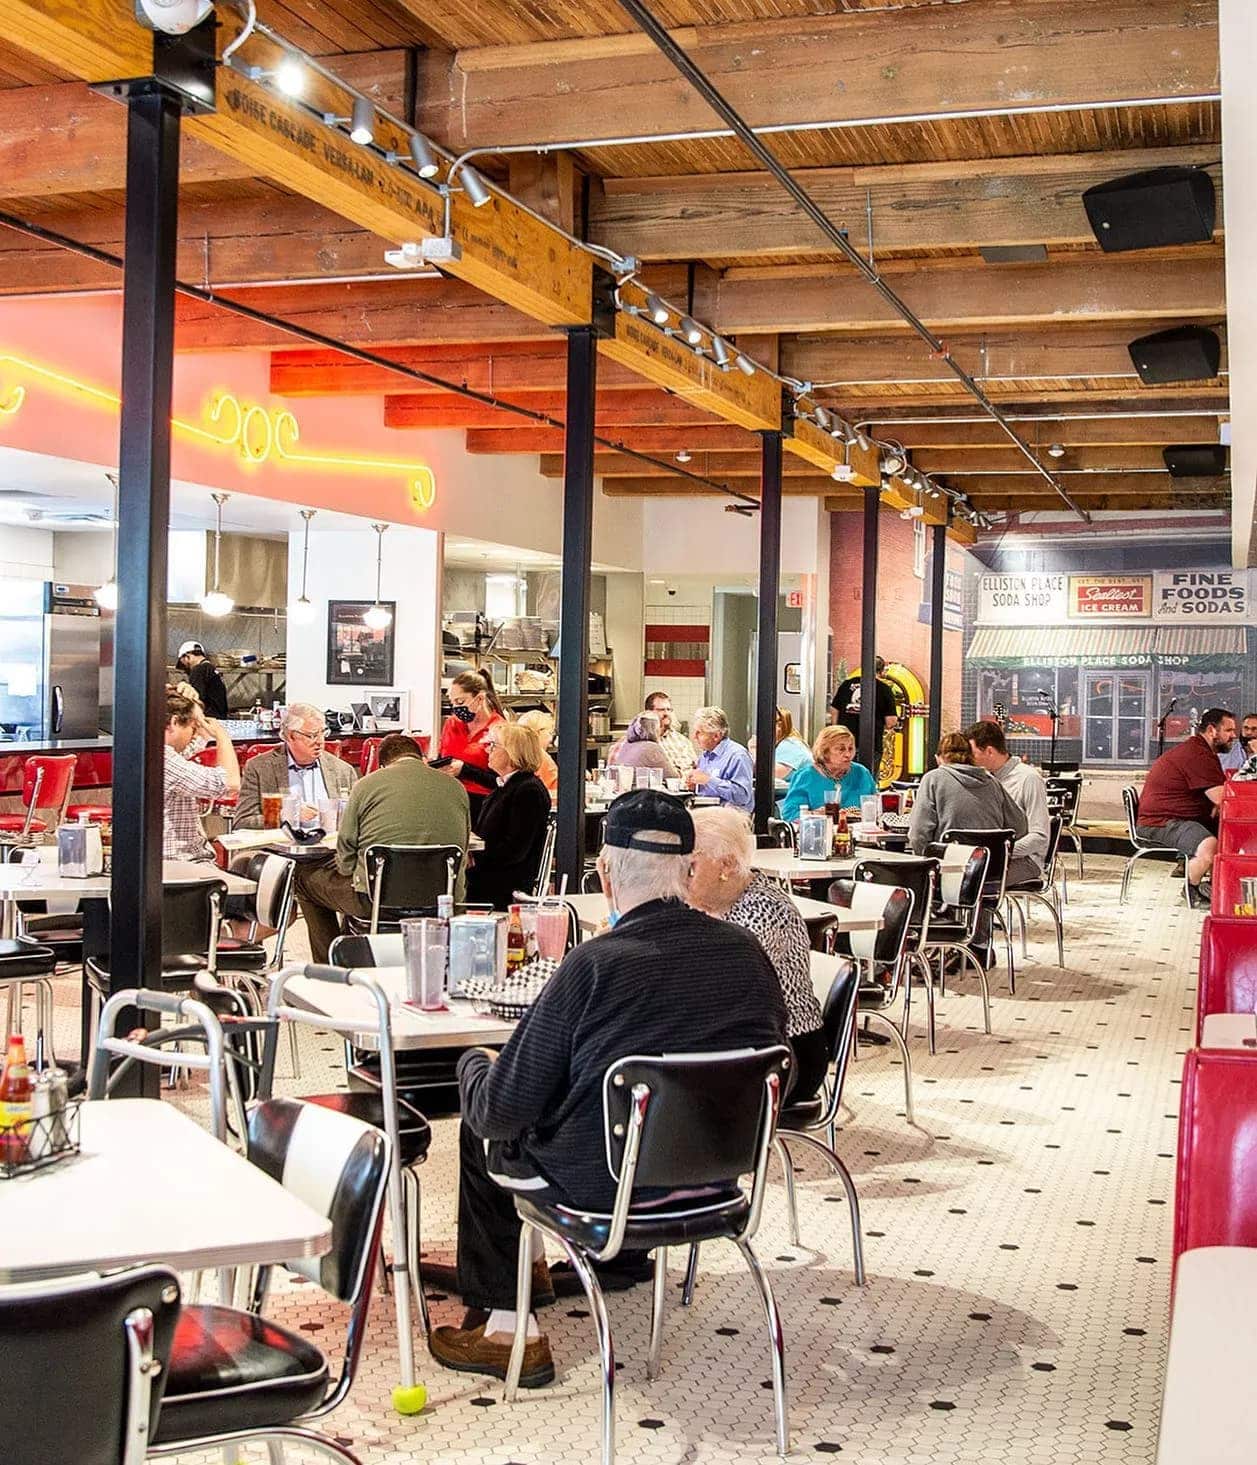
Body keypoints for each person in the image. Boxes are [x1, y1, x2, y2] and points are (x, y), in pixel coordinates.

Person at [427, 790, 786, 1385]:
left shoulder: (595, 964)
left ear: (605, 874)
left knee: (485, 1124)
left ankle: (507, 1329)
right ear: (689, 870)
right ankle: (601, 1265)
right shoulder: (748, 956)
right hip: (719, 1180)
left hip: (601, 1187)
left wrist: (473, 1061)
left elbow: (500, 1110)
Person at [689, 805, 826, 1102]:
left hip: (784, 1055)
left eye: (691, 866)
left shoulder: (764, 911)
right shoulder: (710, 904)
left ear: (725, 865)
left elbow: (720, 991)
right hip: (737, 1045)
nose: (681, 875)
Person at [294, 733, 470, 962]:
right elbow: (463, 849)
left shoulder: (366, 785)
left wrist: (350, 871)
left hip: (376, 899)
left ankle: (331, 965)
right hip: (441, 899)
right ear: (421, 757)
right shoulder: (456, 787)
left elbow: (346, 850)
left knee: (304, 879)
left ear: (383, 763)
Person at [1134, 706, 1237, 907]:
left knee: (1227, 833)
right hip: (1161, 822)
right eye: (1229, 730)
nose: (1234, 735)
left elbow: (1218, 798)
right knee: (1209, 845)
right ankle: (1192, 888)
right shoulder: (1198, 754)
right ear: (1212, 730)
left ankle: (1217, 886)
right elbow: (1221, 798)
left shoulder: (1201, 750)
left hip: (1174, 817)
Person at [467, 723, 553, 910]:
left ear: (512, 753)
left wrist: (476, 857)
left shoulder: (527, 790)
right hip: (492, 875)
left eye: (493, 745)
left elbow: (515, 849)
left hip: (503, 884)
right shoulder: (506, 786)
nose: (488, 750)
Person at [234, 702, 358, 828]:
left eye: (323, 733)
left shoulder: (343, 770)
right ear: (290, 736)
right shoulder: (260, 768)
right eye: (312, 735)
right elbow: (242, 822)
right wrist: (287, 816)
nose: (320, 741)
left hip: (330, 844)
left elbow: (358, 819)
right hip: (280, 845)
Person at [907, 731, 1028, 855]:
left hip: (947, 868)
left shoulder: (933, 779)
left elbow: (917, 835)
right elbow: (1020, 827)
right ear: (971, 757)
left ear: (938, 758)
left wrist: (927, 861)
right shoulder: (992, 783)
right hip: (990, 869)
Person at [966, 720, 1051, 884]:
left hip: (1026, 860)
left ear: (989, 751)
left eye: (973, 754)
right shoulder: (985, 779)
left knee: (973, 882)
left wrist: (1001, 853)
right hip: (992, 856)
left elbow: (1040, 836)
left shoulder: (1028, 778)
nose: (969, 760)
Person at [162, 685, 240, 862]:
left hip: (178, 861)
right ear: (174, 722)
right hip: (182, 864)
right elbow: (230, 783)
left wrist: (193, 704)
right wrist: (222, 736)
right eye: (192, 727)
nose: (194, 733)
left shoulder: (156, 752)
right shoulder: (164, 759)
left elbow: (198, 741)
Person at [438, 671, 506, 813]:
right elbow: (442, 756)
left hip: (482, 803)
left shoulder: (500, 729)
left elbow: (503, 781)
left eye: (460, 702)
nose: (456, 708)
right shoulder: (451, 724)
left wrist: (465, 770)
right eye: (452, 702)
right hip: (448, 797)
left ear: (480, 699)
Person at [780, 726, 878, 823]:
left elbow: (877, 808)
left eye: (851, 749)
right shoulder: (805, 776)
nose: (848, 754)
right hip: (818, 834)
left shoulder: (862, 773)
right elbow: (790, 815)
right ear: (825, 752)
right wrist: (815, 815)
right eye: (841, 749)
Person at [830, 655, 898, 772]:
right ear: (881, 670)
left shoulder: (846, 684)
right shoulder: (884, 689)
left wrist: (837, 730)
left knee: (842, 779)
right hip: (871, 744)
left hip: (843, 743)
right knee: (867, 781)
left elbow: (834, 710)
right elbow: (891, 722)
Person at [686, 706, 754, 811]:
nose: (694, 737)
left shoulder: (737, 756)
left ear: (716, 736)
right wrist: (695, 786)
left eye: (699, 733)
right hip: (707, 812)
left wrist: (708, 780)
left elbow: (742, 796)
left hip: (731, 817)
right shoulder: (705, 755)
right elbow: (707, 791)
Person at [607, 712, 678, 782]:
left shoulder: (626, 744)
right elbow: (672, 777)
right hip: (637, 792)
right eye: (660, 727)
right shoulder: (652, 748)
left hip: (621, 791)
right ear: (655, 729)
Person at [644, 690, 696, 776]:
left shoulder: (682, 741)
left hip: (685, 787)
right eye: (661, 710)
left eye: (669, 709)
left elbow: (697, 768)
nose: (666, 713)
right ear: (648, 713)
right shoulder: (643, 741)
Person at [174, 640, 228, 720]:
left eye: (183, 665)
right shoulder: (212, 669)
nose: (185, 670)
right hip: (219, 718)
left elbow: (195, 700)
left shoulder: (198, 670)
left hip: (208, 719)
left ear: (187, 657)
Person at [515, 709, 558, 794]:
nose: (550, 739)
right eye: (549, 732)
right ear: (538, 732)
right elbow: (557, 792)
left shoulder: (515, 755)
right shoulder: (541, 757)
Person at [772, 707, 812, 781]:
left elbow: (773, 774)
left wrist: (754, 750)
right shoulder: (790, 742)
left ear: (780, 726)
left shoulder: (789, 745)